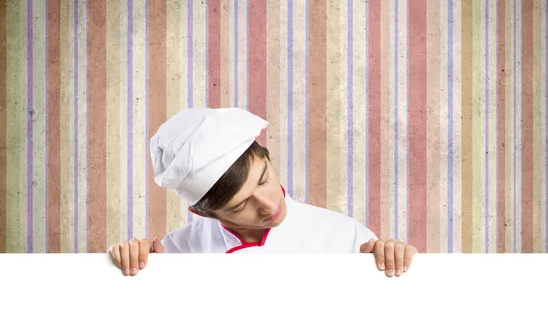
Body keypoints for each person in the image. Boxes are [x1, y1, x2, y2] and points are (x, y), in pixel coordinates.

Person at [108, 107, 418, 278]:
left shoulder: (345, 237)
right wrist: (129, 276)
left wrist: (395, 269)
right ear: (202, 212)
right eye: (241, 205)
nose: (270, 204)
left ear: (266, 157)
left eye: (264, 178)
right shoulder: (173, 254)